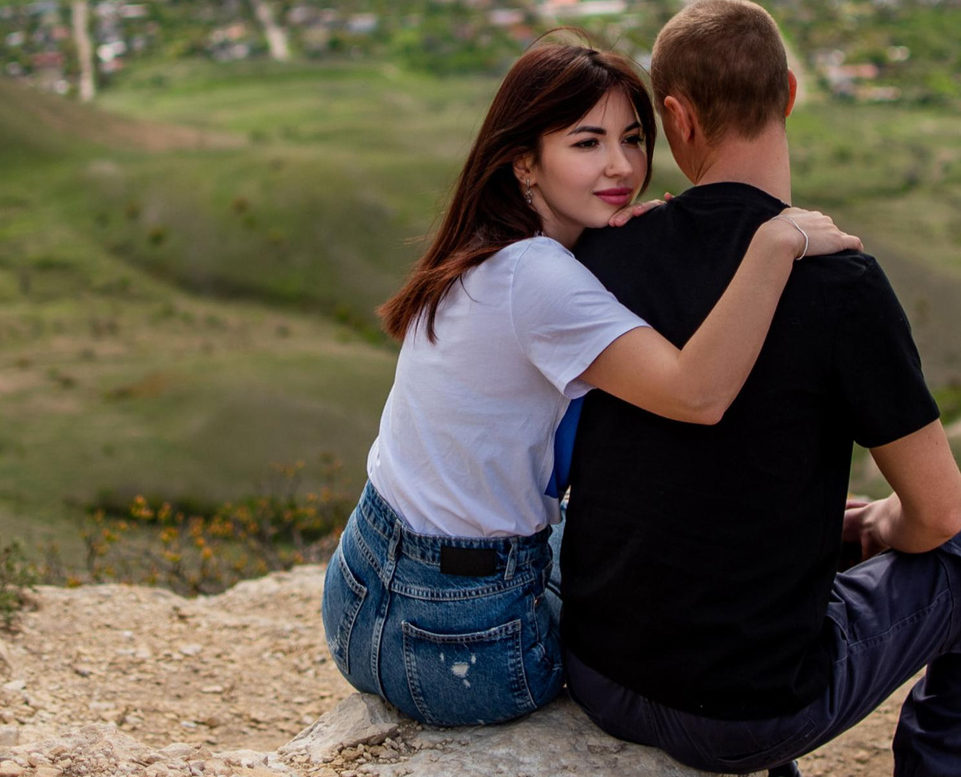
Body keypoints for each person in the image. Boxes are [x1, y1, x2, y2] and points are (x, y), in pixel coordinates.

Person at [561, 0, 961, 777]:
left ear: (677, 117)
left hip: (600, 674)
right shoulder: (840, 281)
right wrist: (878, 524)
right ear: (791, 94)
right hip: (748, 713)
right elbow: (939, 515)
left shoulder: (608, 249)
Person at [322, 37, 864, 728]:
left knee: (641, 544)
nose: (621, 166)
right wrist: (775, 243)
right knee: (675, 592)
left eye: (633, 138)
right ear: (524, 161)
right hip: (460, 642)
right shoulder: (539, 278)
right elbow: (697, 394)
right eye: (587, 143)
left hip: (365, 584)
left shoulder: (490, 243)